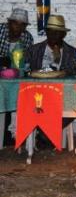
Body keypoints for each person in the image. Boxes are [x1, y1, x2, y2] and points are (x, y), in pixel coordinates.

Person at [0, 8, 34, 145]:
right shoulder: (1, 31)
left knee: (20, 96)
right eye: (15, 23)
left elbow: (27, 61)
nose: (18, 27)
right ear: (9, 23)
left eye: (22, 25)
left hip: (14, 76)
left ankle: (13, 133)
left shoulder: (27, 37)